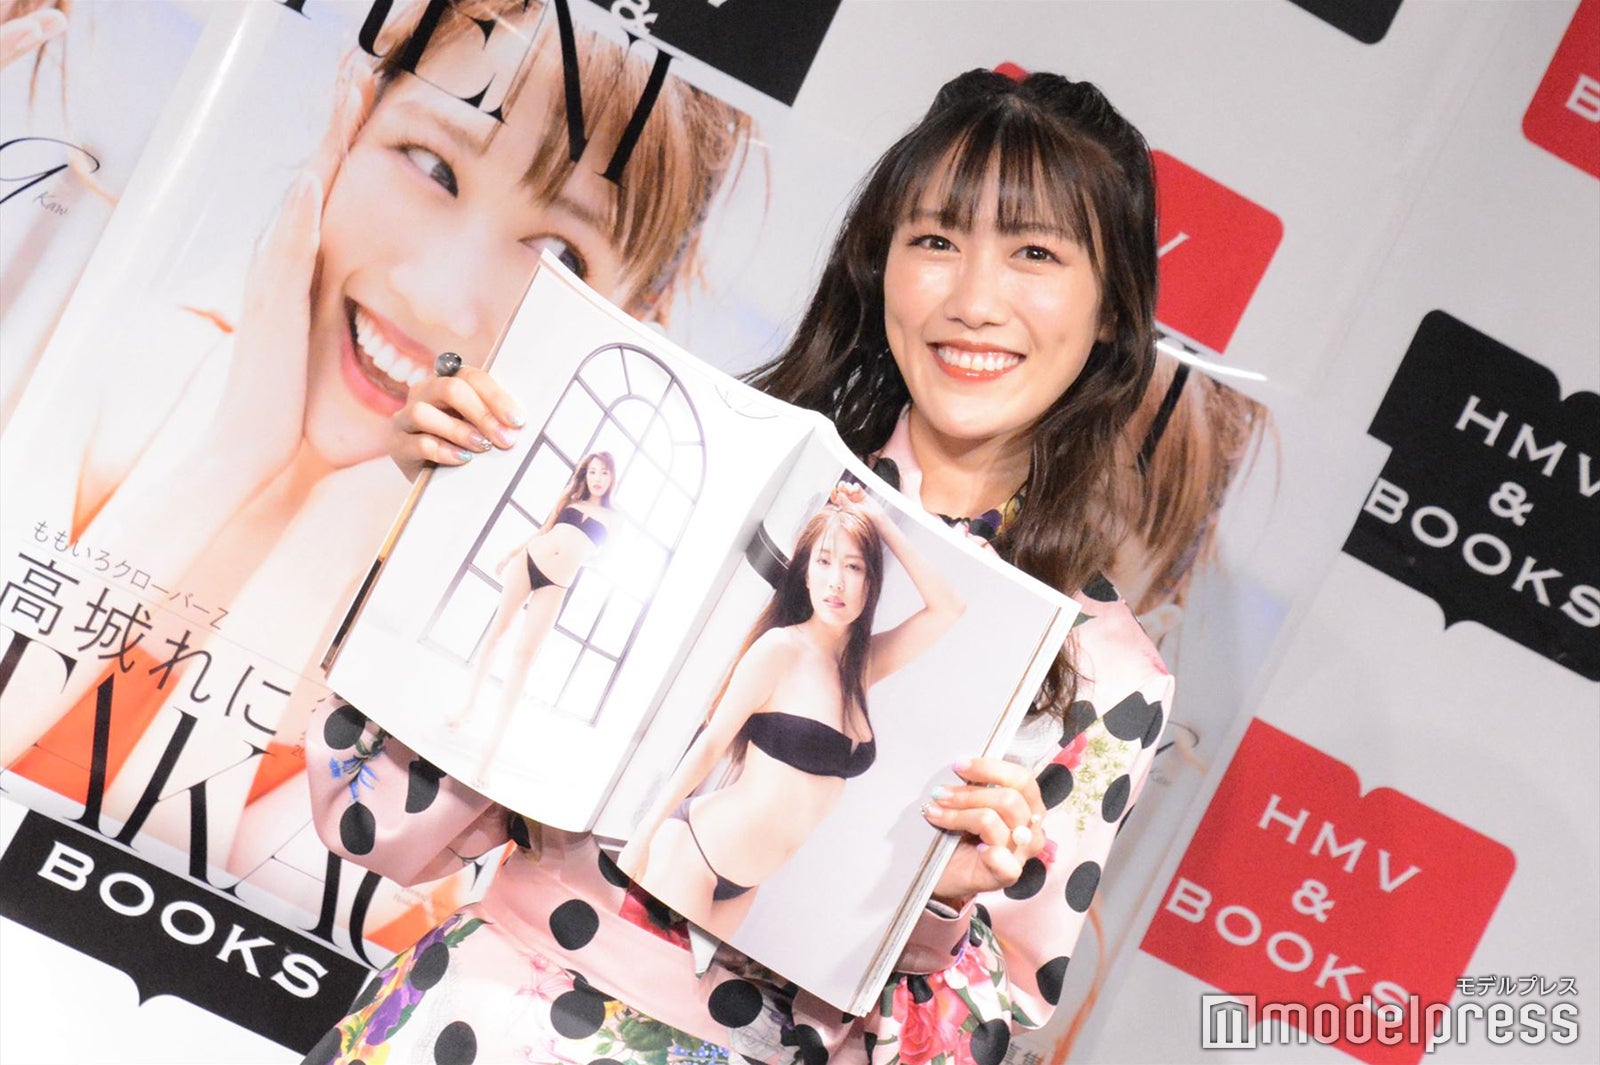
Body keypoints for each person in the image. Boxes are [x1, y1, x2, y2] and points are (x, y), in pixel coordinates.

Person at [305, 67, 1174, 1064]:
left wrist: (930, 904)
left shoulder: (1108, 672)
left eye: (1035, 254)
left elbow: (985, 1026)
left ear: (1112, 310)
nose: (975, 300)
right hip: (481, 1020)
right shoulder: (706, 469)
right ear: (879, 265)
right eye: (936, 241)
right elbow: (377, 822)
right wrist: (444, 519)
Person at [0, 0, 751, 843]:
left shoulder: (494, 645)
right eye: (432, 166)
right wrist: (234, 455)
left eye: (559, 257)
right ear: (351, 114)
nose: (439, 298)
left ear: (632, 326)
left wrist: (353, 517)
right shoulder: (106, 362)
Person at [621, 484, 964, 938]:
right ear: (805, 574)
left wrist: (880, 519)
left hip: (747, 885)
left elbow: (948, 609)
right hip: (694, 852)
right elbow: (710, 744)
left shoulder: (862, 667)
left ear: (871, 581)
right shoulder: (780, 648)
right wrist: (644, 835)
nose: (835, 582)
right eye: (823, 562)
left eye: (853, 566)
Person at [453, 451, 618, 751]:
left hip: (556, 584)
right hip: (528, 561)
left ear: (612, 477)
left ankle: (495, 736)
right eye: (592, 471)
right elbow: (543, 531)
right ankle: (468, 706)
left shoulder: (613, 519)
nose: (597, 478)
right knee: (497, 633)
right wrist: (511, 554)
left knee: (525, 656)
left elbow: (605, 558)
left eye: (604, 472)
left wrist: (578, 556)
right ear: (585, 474)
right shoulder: (570, 500)